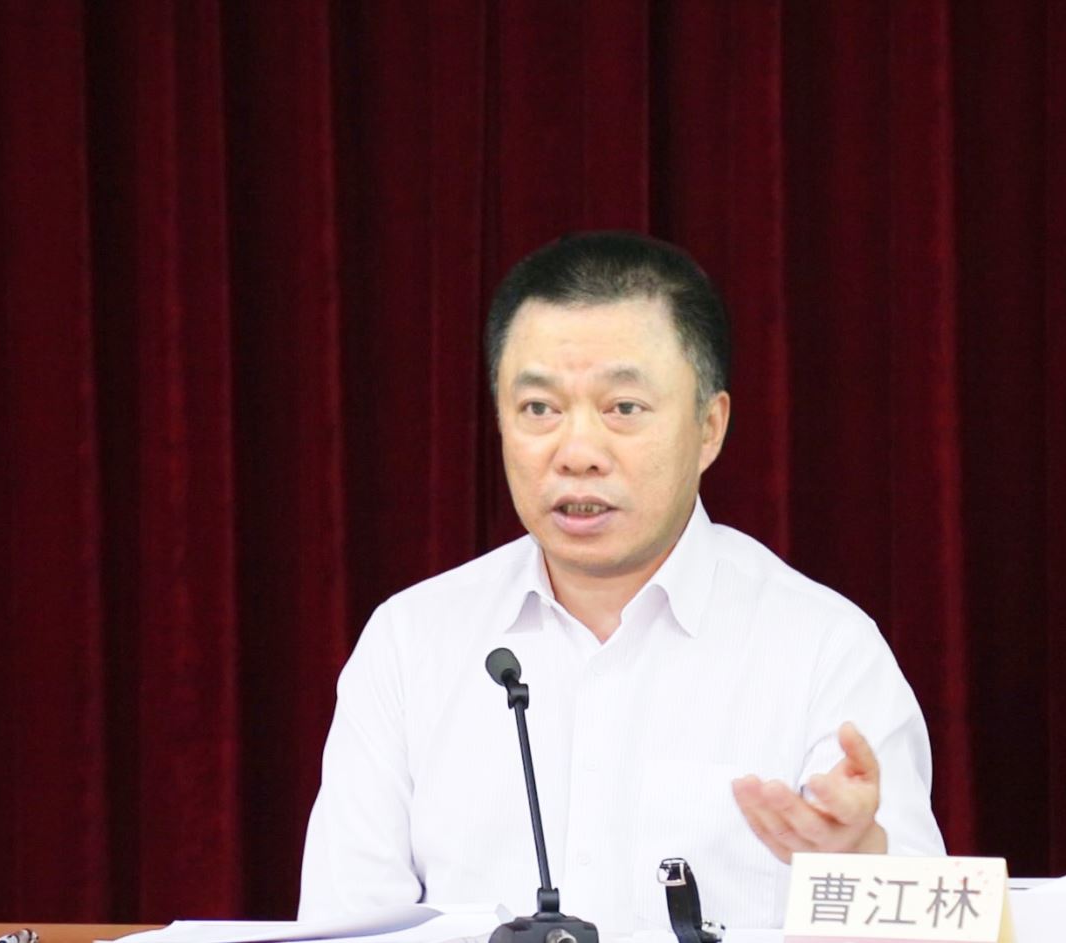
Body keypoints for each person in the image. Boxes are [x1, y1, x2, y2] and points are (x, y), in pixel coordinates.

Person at [298, 232, 943, 935]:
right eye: (539, 408)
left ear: (709, 427)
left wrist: (865, 866)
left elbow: (926, 929)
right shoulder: (411, 642)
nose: (577, 453)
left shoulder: (826, 650)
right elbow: (346, 925)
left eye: (624, 408)